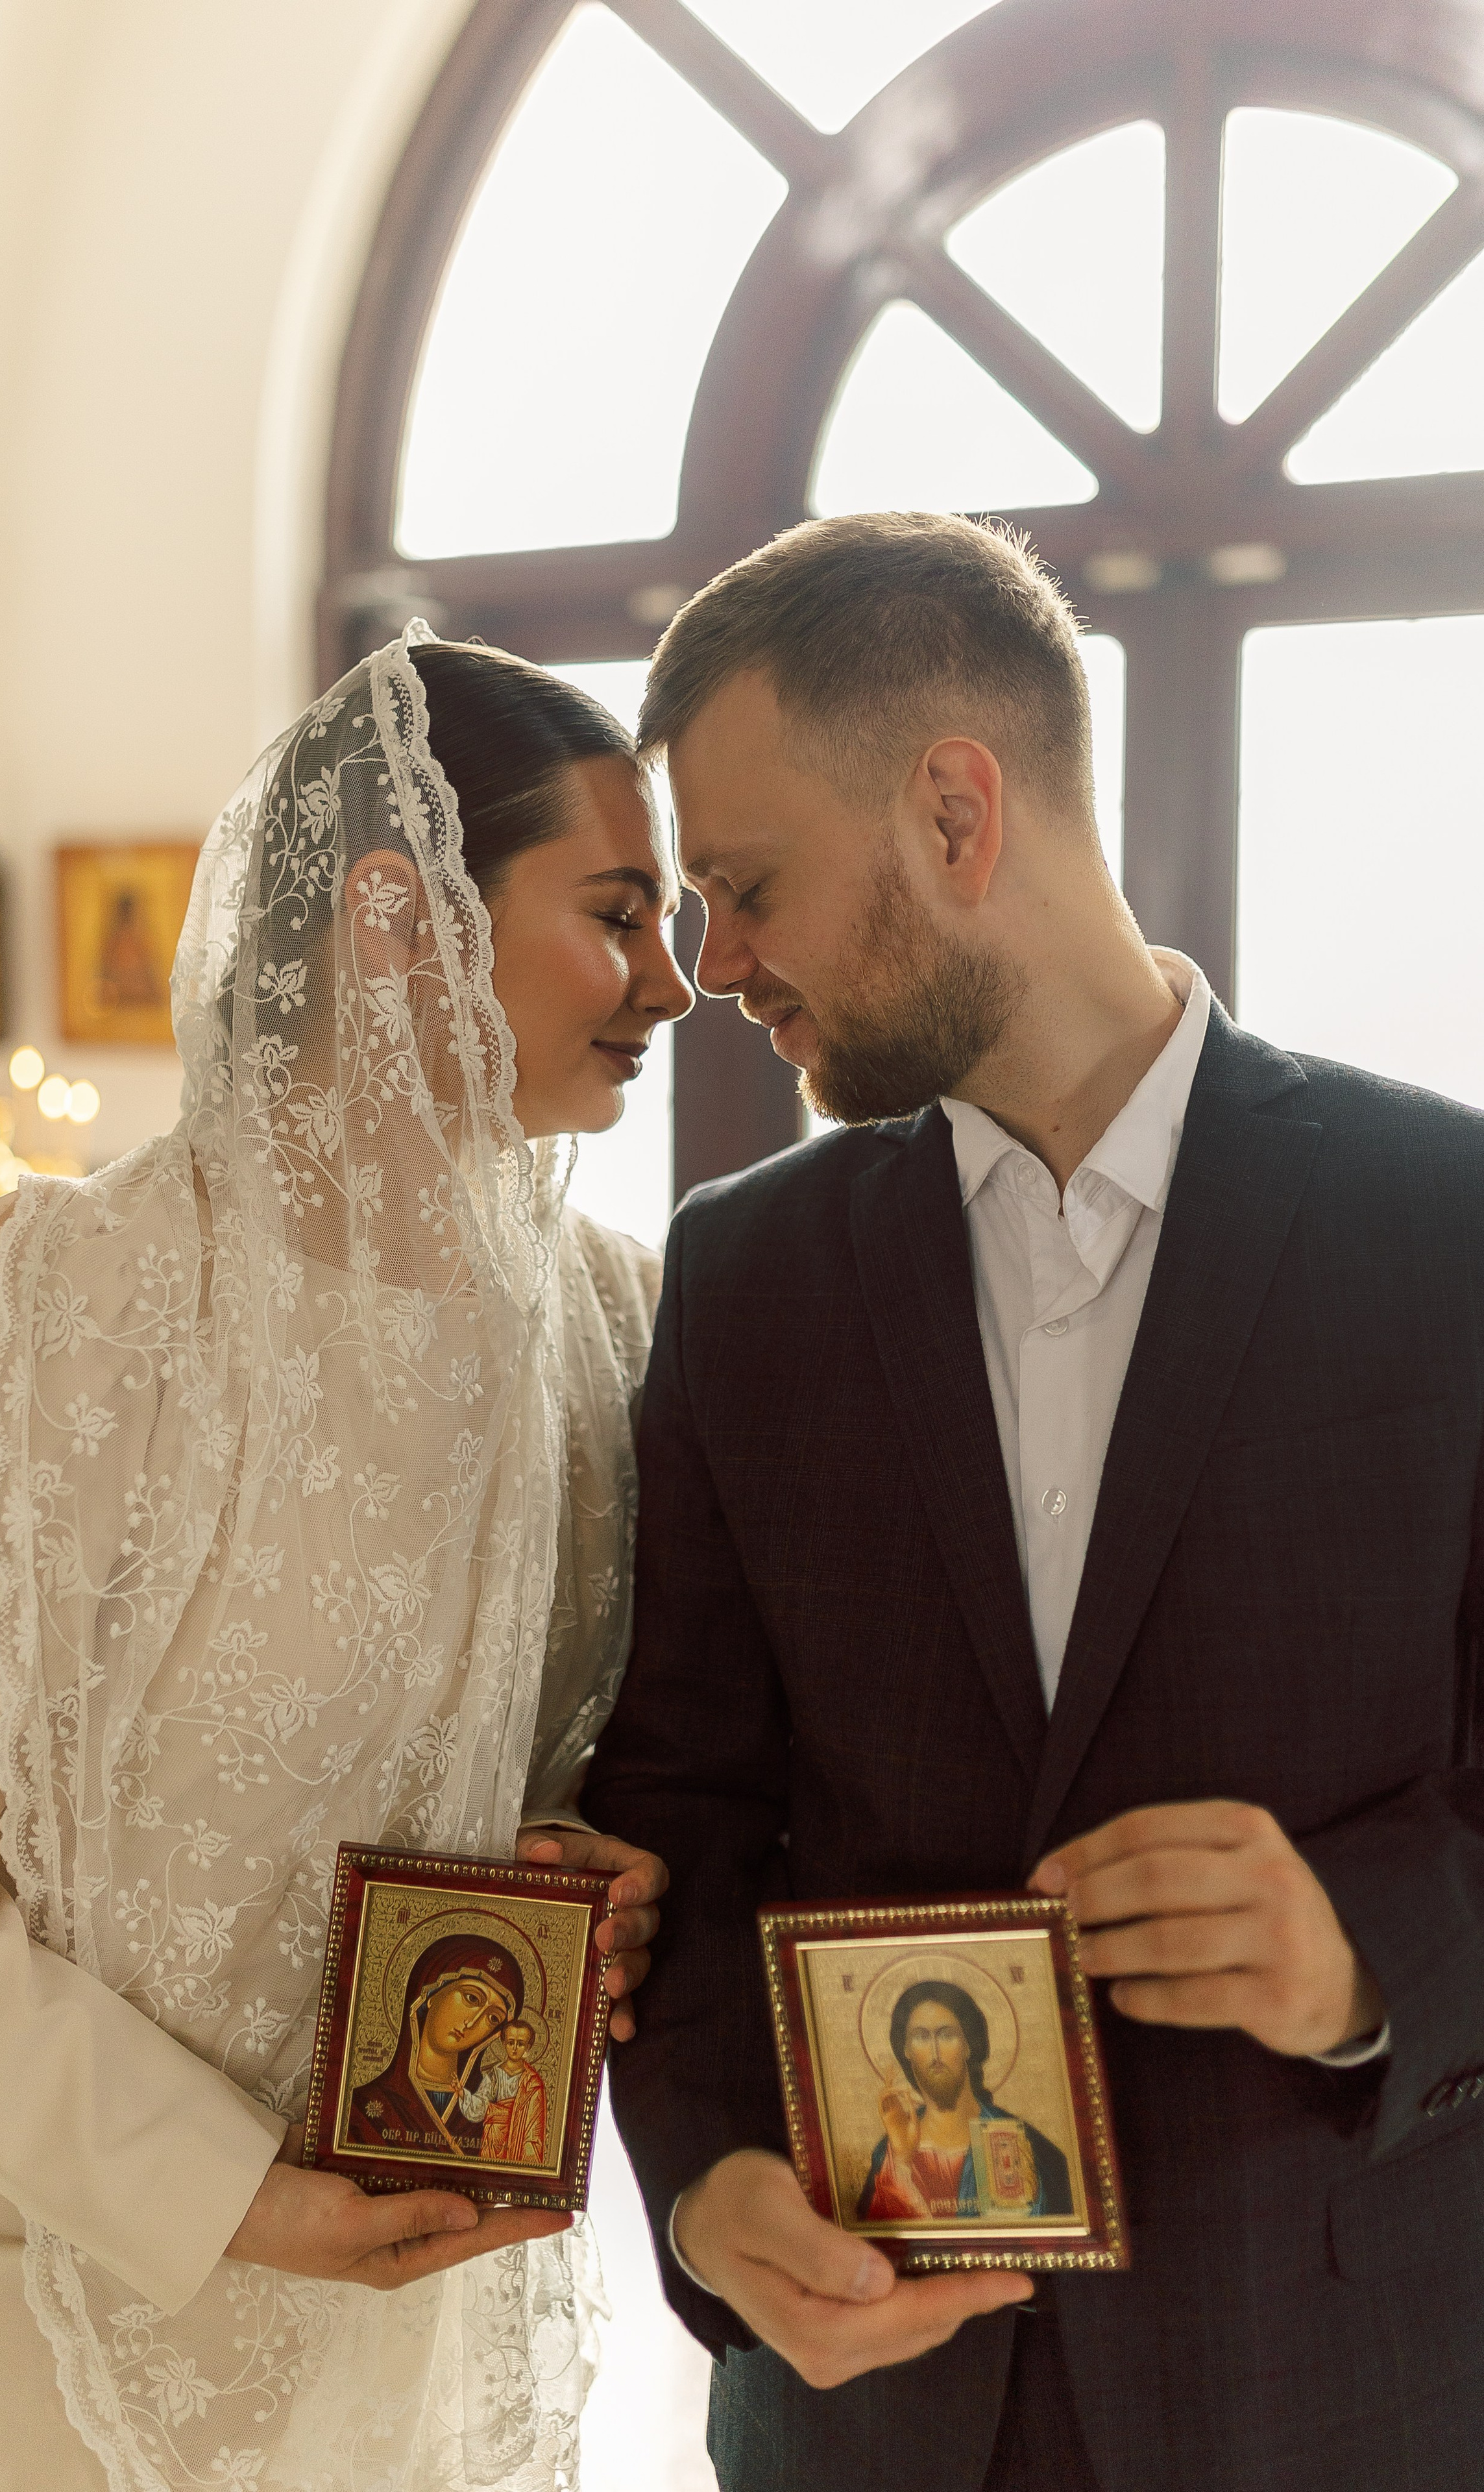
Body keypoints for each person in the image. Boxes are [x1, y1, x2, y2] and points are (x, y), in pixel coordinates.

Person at [585, 511, 1484, 2492]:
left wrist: (1359, 1955)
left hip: (1348, 2399)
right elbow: (675, 1821)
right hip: (867, 2421)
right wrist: (714, 2179)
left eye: (744, 889)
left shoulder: (1451, 1231)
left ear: (954, 811)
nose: (709, 964)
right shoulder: (744, 1280)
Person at [0, 626, 692, 2492]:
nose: (673, 984)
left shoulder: (620, 1332)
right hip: (74, 2284)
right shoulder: (46, 1311)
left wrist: (614, 1866)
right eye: (619, 915)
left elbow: (626, 1771)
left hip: (440, 2291)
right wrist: (236, 2197)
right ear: (395, 913)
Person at [857, 1981, 1071, 2223]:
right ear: (906, 2049)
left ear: (968, 2045)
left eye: (947, 2035)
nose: (935, 2051)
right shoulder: (889, 2153)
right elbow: (873, 2242)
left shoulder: (1020, 2140)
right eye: (921, 2037)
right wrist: (900, 2162)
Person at [345, 1935, 521, 2156]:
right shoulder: (363, 2108)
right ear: (431, 1995)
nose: (473, 2022)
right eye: (472, 1998)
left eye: (493, 2019)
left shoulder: (485, 2119)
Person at [478, 2020, 549, 2166]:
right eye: (511, 2043)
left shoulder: (533, 2083)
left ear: (528, 2047)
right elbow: (480, 2105)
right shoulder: (493, 2074)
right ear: (504, 2044)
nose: (515, 2048)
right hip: (492, 2139)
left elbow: (534, 2128)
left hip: (517, 2142)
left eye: (521, 2044)